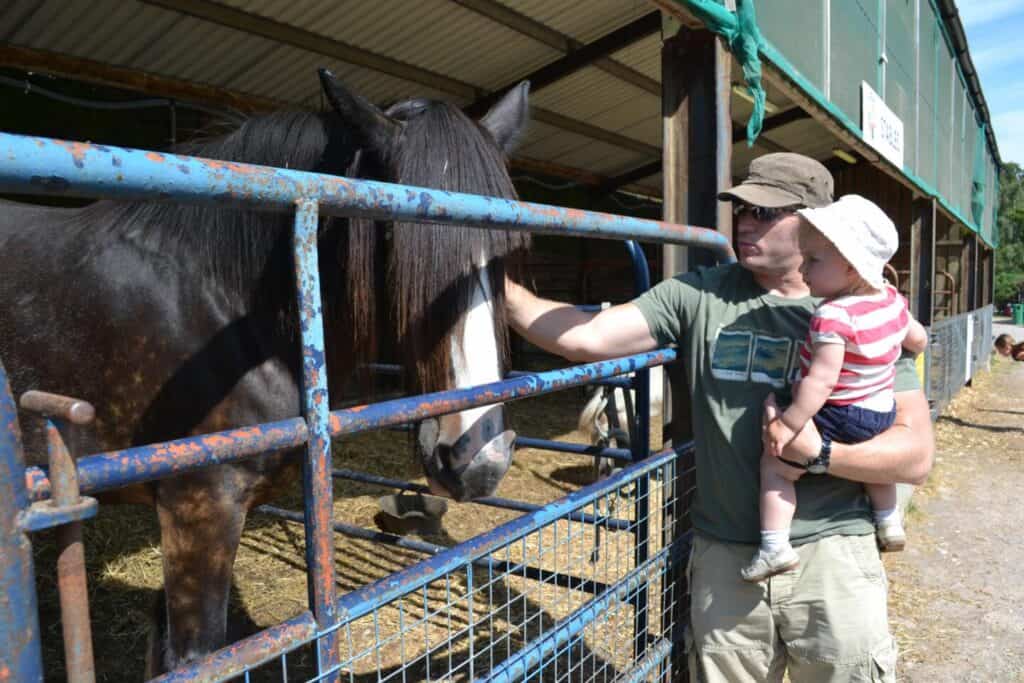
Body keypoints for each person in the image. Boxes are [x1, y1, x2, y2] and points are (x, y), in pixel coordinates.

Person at [504, 152, 933, 681]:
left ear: (817, 222)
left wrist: (823, 454)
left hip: (833, 555)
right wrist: (497, 287)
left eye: (767, 212)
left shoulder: (867, 311)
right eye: (743, 208)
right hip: (727, 560)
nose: (745, 221)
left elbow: (915, 456)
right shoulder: (699, 294)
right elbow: (584, 336)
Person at [747, 195, 929, 582]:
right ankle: (888, 519)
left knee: (776, 467)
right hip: (880, 413)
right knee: (872, 466)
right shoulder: (891, 299)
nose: (804, 267)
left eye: (813, 260)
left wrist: (789, 424)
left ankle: (774, 546)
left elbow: (822, 381)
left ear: (849, 265)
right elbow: (918, 339)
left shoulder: (832, 315)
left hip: (839, 410)